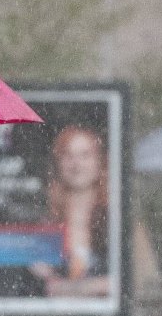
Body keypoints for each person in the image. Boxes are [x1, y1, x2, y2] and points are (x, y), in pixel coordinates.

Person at [29, 125, 111, 298]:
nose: (76, 163)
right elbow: (33, 283)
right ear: (58, 163)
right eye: (68, 155)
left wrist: (69, 289)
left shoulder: (117, 221)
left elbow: (139, 281)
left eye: (85, 155)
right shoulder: (44, 221)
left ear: (100, 162)